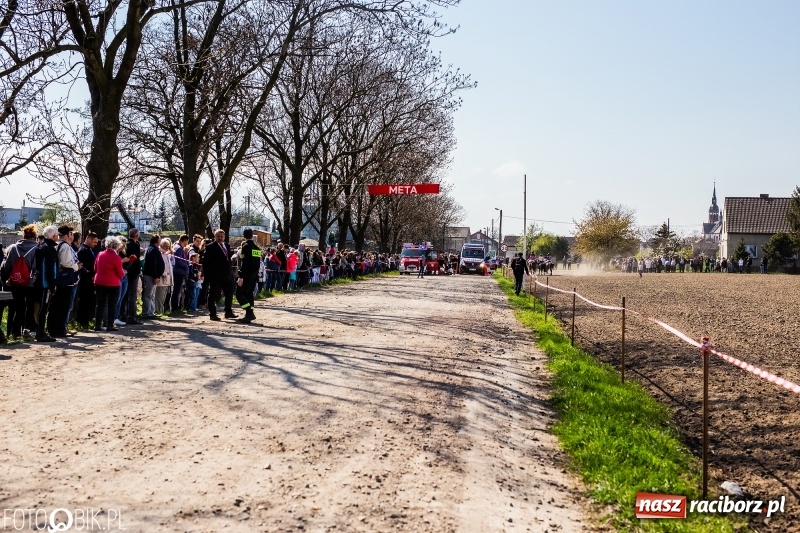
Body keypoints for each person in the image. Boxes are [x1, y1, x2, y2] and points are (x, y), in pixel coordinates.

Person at [0, 225, 39, 339]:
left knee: (18, 308)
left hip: (16, 283)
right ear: (35, 236)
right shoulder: (36, 248)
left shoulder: (13, 248)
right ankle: (27, 330)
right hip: (30, 284)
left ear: (24, 235)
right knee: (30, 307)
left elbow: (6, 267)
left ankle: (15, 332)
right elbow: (36, 268)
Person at [50, 225, 82, 337]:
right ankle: (60, 329)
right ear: (68, 234)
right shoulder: (65, 246)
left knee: (57, 305)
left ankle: (55, 328)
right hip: (66, 280)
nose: (73, 236)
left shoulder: (57, 244)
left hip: (58, 279)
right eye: (72, 234)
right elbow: (66, 263)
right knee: (64, 305)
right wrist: (77, 266)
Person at [201, 229, 236, 321]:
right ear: (215, 237)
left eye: (221, 236)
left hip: (227, 275)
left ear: (224, 237)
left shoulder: (227, 246)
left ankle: (228, 312)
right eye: (218, 236)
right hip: (215, 275)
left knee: (229, 292)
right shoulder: (210, 247)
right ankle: (213, 314)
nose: (220, 238)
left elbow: (228, 259)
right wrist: (207, 275)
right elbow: (206, 262)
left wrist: (231, 272)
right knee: (213, 294)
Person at [34, 226, 60, 342]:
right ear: (53, 236)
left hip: (38, 282)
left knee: (40, 308)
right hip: (45, 284)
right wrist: (52, 284)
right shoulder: (50, 249)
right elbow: (51, 269)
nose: (58, 236)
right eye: (57, 234)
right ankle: (41, 333)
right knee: (44, 309)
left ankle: (40, 331)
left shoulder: (40, 246)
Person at [93, 236, 125, 331]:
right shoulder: (116, 257)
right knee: (112, 304)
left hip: (99, 281)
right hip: (113, 283)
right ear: (116, 246)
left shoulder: (100, 254)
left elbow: (95, 268)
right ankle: (110, 325)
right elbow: (120, 273)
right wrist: (122, 274)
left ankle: (97, 325)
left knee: (100, 304)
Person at [235, 228, 261, 323]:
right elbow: (257, 263)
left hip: (246, 274)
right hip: (254, 274)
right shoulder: (257, 248)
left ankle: (249, 312)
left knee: (239, 294)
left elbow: (244, 263)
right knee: (249, 294)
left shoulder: (245, 247)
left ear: (244, 236)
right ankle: (249, 313)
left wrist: (241, 276)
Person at [76, 231, 99, 329]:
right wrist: (89, 274)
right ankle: (82, 321)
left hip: (89, 280)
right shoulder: (83, 250)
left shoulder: (89, 250)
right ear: (88, 239)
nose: (95, 244)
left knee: (89, 301)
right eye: (94, 242)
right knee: (84, 302)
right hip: (85, 281)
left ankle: (86, 320)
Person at [141, 235, 165, 318]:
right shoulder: (153, 250)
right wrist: (156, 276)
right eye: (160, 240)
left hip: (152, 274)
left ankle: (151, 312)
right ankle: (146, 313)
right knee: (148, 294)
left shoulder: (151, 249)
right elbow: (153, 264)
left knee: (152, 295)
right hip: (151, 275)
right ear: (157, 241)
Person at [125, 228, 144, 324]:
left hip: (127, 271)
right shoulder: (135, 245)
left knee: (126, 294)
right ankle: (131, 316)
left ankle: (124, 314)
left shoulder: (126, 244)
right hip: (134, 271)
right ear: (136, 235)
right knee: (133, 294)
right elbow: (136, 259)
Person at [154, 238, 173, 315]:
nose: (167, 248)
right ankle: (158, 311)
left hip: (167, 280)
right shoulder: (159, 253)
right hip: (161, 280)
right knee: (159, 297)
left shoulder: (167, 254)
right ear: (161, 245)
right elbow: (160, 266)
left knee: (163, 298)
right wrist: (163, 273)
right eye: (166, 246)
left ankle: (161, 311)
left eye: (168, 246)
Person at [171, 235, 190, 313]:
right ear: (184, 240)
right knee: (177, 290)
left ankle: (176, 306)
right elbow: (178, 261)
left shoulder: (177, 247)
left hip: (178, 271)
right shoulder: (178, 249)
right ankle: (175, 307)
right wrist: (186, 266)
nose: (187, 243)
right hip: (178, 272)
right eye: (187, 241)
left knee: (177, 290)